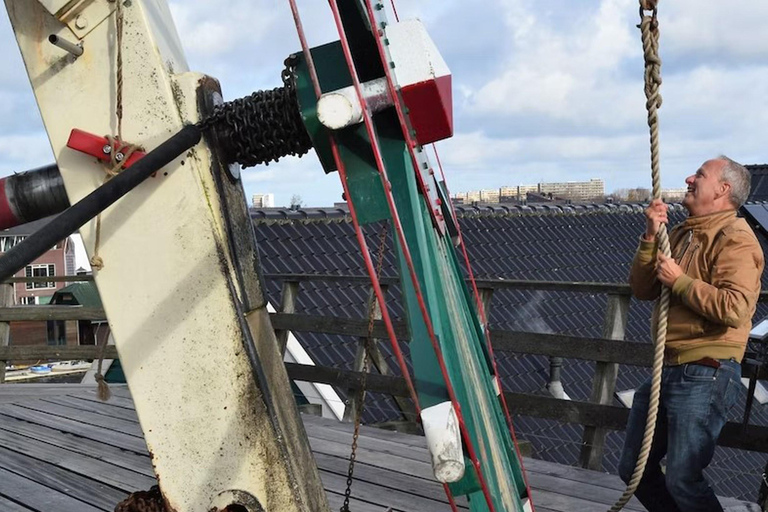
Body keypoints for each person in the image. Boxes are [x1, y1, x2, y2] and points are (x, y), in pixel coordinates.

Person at [619, 156, 764, 512]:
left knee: (683, 477)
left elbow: (734, 308)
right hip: (670, 368)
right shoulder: (683, 232)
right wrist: (651, 237)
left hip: (705, 369)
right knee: (632, 470)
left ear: (723, 190)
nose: (688, 178)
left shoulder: (737, 239)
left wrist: (679, 281)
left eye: (699, 174)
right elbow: (642, 288)